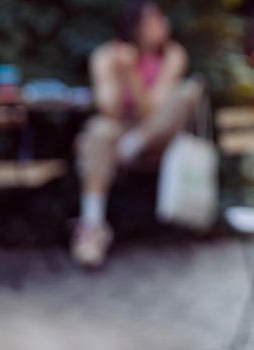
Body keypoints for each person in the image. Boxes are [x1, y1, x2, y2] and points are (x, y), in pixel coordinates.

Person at [72, 0, 203, 267]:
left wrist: (132, 75)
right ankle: (92, 227)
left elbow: (153, 111)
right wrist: (120, 73)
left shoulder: (173, 55)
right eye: (153, 19)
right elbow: (108, 109)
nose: (162, 23)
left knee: (186, 93)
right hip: (119, 130)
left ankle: (131, 146)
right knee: (98, 131)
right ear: (135, 27)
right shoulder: (105, 56)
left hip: (155, 138)